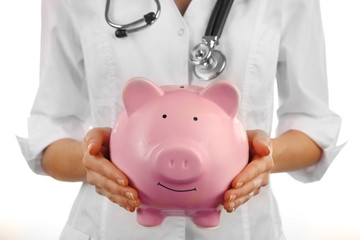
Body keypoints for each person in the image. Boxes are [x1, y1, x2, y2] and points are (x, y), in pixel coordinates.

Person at [17, 0, 343, 239]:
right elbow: (49, 130)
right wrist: (89, 162)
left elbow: (312, 124)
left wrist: (268, 155)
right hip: (110, 229)